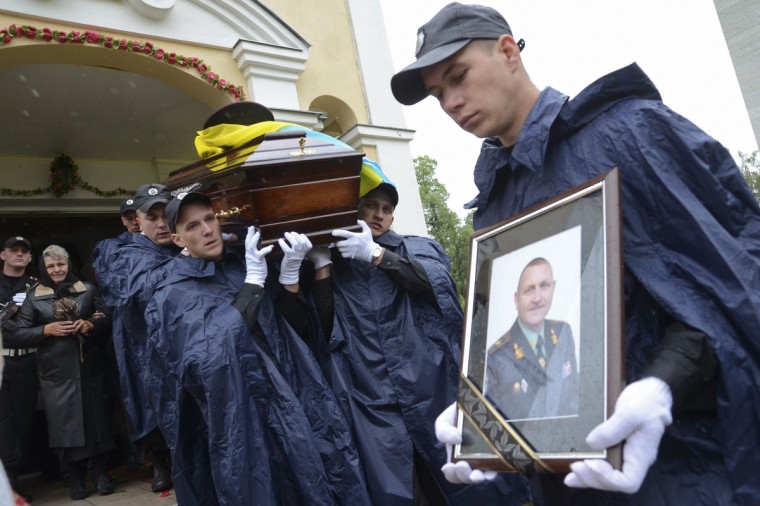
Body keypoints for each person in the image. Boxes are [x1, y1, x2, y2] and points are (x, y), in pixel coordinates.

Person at [391, 3, 760, 505]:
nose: (451, 102)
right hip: (562, 486)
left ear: (507, 52)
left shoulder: (632, 132)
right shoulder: (494, 202)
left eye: (458, 77)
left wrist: (663, 385)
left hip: (680, 471)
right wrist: (480, 411)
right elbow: (517, 345)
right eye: (438, 94)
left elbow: (732, 280)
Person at [310, 163, 530, 506]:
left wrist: (378, 255)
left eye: (387, 209)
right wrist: (321, 268)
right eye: (371, 206)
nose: (379, 215)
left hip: (433, 387)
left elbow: (439, 287)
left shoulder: (417, 247)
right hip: (372, 402)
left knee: (469, 482)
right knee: (405, 490)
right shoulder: (338, 267)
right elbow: (322, 331)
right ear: (355, 210)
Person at [142, 191, 369, 505]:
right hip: (244, 419)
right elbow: (211, 359)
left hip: (296, 399)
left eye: (210, 218)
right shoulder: (172, 294)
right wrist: (252, 285)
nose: (207, 230)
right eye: (193, 226)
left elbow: (295, 331)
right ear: (178, 239)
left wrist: (289, 275)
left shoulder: (244, 263)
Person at [12, 245, 115, 500]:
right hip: (55, 374)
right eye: (51, 266)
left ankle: (101, 474)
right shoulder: (33, 296)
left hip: (89, 368)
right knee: (65, 428)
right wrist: (45, 331)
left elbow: (108, 318)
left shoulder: (87, 289)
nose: (57, 270)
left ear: (69, 264)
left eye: (61, 264)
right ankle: (76, 480)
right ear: (43, 269)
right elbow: (15, 334)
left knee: (96, 422)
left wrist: (91, 323)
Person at [92, 184, 174, 495]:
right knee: (148, 401)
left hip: (172, 339)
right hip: (138, 339)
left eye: (163, 214)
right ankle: (160, 463)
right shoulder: (117, 250)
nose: (137, 223)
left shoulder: (175, 241)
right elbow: (120, 294)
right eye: (133, 217)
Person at [485, 257, 578, 421]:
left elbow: (573, 396)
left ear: (553, 288)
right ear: (516, 299)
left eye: (544, 286)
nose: (537, 298)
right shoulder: (496, 356)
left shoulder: (563, 332)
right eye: (529, 290)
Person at [0, 237, 37, 503]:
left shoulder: (36, 286)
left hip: (26, 362)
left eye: (24, 252)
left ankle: (17, 482)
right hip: (0, 361)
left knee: (24, 422)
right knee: (3, 424)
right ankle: (8, 487)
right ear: (3, 254)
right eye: (14, 250)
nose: (19, 255)